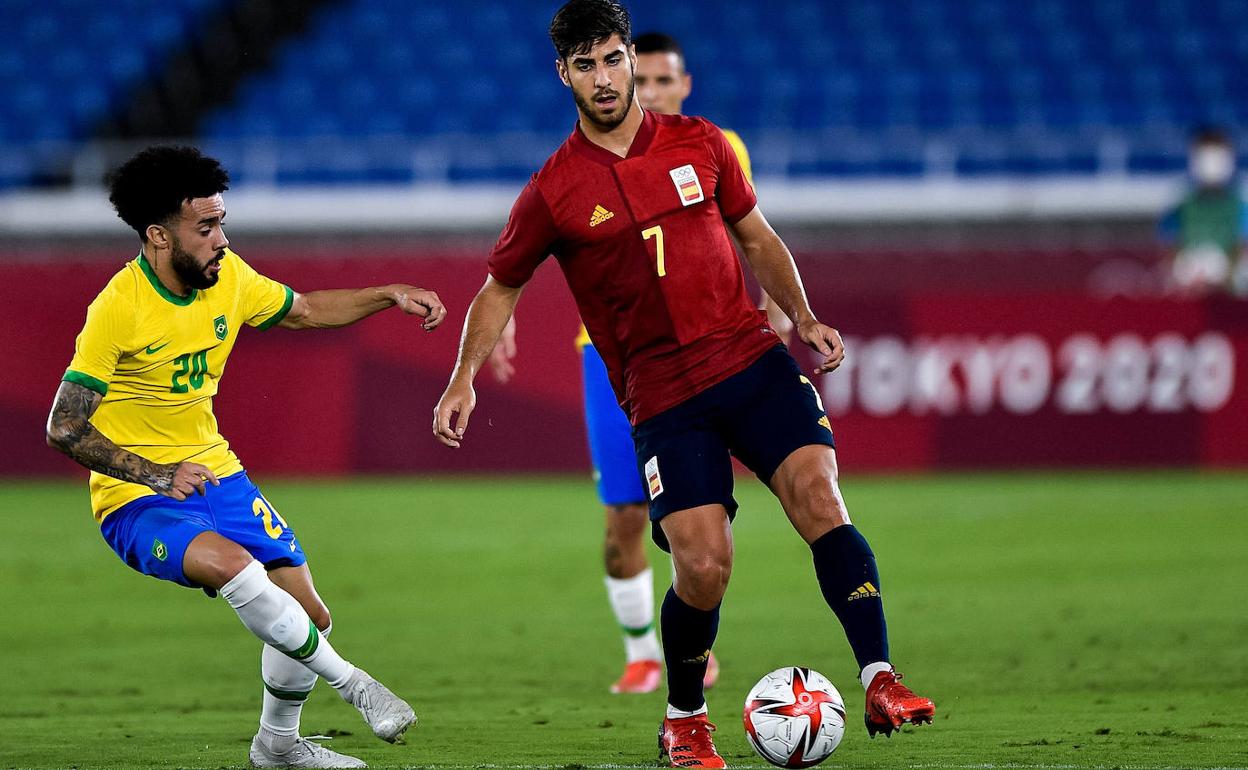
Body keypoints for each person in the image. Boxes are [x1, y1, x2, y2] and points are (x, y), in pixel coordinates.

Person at [433, 2, 934, 767]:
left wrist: (801, 316)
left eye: (610, 59)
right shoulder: (554, 190)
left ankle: (880, 676)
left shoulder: (702, 144)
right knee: (702, 567)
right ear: (561, 73)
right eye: (583, 65)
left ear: (629, 57)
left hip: (749, 359)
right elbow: (500, 285)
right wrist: (463, 375)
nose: (601, 79)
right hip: (663, 393)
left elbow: (757, 236)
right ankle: (685, 716)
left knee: (821, 498)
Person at [46, 146, 438, 770]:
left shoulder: (226, 276)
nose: (222, 240)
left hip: (218, 473)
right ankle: (354, 685)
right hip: (138, 496)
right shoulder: (117, 309)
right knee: (234, 568)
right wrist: (155, 473)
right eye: (206, 228)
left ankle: (277, 744)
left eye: (222, 223)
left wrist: (387, 293)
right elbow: (63, 427)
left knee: (310, 613)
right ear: (157, 235)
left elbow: (304, 310)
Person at [486, 30, 791, 696]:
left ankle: (690, 646)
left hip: (712, 354)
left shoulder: (713, 144)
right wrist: (498, 325)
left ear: (682, 86)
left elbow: (747, 235)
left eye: (658, 81)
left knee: (705, 519)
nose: (642, 91)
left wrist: (777, 307)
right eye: (638, 79)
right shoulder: (580, 165)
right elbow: (534, 252)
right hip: (612, 361)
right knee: (623, 514)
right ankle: (642, 651)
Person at [1159, 126, 1248, 296]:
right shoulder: (1181, 205)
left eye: (1217, 157)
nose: (1211, 164)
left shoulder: (1240, 206)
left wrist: (1226, 274)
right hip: (1188, 291)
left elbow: (1243, 246)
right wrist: (1184, 273)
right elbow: (1168, 248)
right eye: (1205, 157)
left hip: (1232, 294)